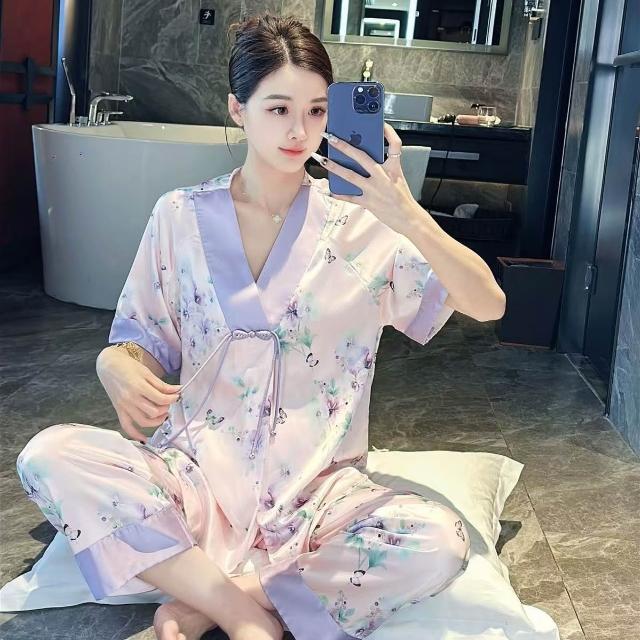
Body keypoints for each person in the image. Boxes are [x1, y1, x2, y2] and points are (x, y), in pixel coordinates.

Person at [14, 13, 506, 640]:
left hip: (317, 499)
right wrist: (113, 363)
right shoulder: (179, 217)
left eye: (317, 111)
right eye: (278, 109)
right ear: (237, 109)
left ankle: (212, 599)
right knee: (49, 456)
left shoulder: (364, 228)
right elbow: (140, 340)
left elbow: (489, 304)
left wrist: (404, 211)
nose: (299, 131)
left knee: (439, 540)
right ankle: (246, 611)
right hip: (193, 484)